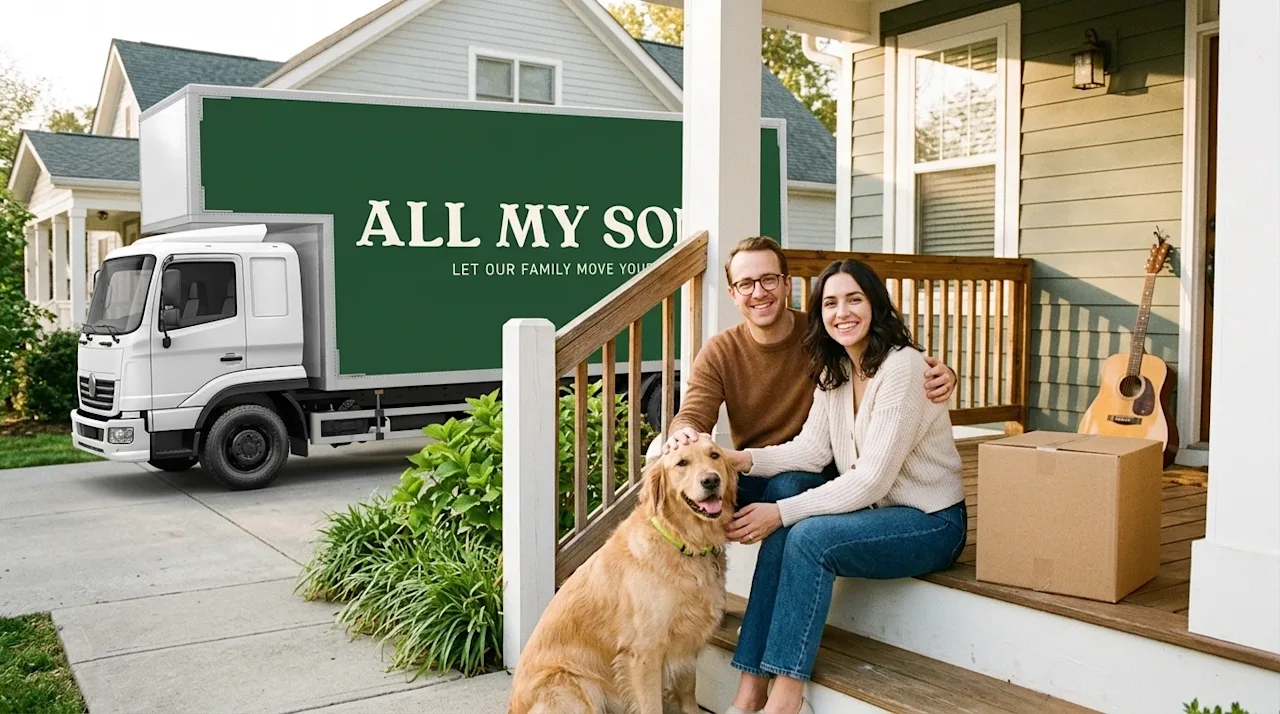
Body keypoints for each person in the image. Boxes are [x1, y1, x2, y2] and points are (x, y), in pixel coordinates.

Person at [714, 258, 967, 714]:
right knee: (787, 527)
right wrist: (743, 459)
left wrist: (782, 511)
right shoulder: (837, 371)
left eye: (854, 299)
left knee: (804, 532)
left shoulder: (903, 369)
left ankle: (786, 696)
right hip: (878, 517)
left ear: (875, 305)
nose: (842, 312)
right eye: (830, 303)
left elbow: (871, 480)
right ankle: (749, 688)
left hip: (931, 522)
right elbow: (809, 452)